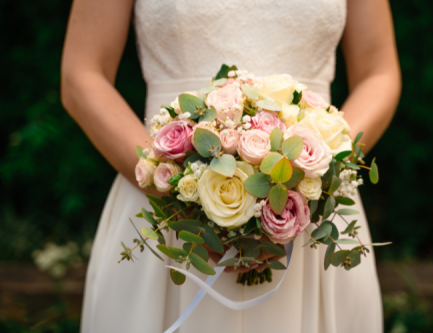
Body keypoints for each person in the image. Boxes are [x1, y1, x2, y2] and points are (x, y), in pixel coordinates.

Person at [61, 0, 401, 332]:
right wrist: (178, 196)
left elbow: (379, 73)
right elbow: (82, 74)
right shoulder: (169, 197)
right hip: (163, 210)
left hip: (311, 218)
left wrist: (318, 175)